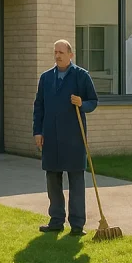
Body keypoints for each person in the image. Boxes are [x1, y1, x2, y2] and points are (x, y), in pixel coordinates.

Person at [33, 40, 99, 236]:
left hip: (74, 137)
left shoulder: (81, 76)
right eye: (55, 52)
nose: (58, 55)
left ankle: (77, 225)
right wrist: (38, 131)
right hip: (51, 136)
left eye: (61, 52)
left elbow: (93, 101)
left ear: (71, 55)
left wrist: (82, 103)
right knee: (53, 179)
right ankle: (56, 221)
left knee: (76, 180)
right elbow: (39, 107)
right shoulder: (46, 78)